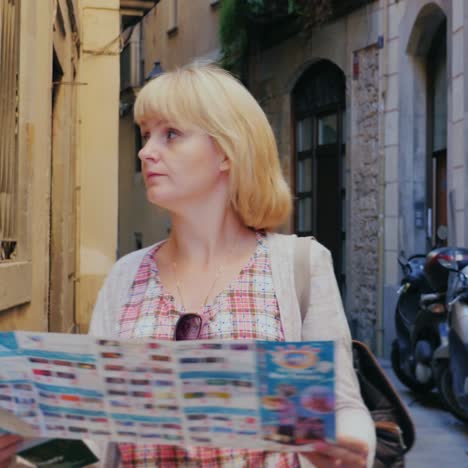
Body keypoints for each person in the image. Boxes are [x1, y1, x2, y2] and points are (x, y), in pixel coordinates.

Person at [0, 64, 375, 467]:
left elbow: (343, 405)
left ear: (228, 151)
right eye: (146, 136)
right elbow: (95, 440)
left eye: (171, 134)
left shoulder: (299, 265)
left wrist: (349, 448)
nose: (145, 152)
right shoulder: (125, 276)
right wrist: (17, 458)